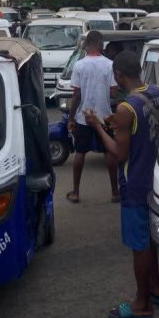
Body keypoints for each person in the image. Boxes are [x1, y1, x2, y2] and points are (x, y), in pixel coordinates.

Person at [85, 50, 159, 318]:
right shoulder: (156, 92)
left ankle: (142, 303)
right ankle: (156, 288)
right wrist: (119, 126)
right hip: (154, 180)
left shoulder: (125, 108)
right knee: (150, 239)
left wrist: (98, 126)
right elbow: (142, 128)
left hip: (134, 183)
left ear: (119, 75)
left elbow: (119, 155)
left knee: (139, 245)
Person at [66, 31, 119, 203]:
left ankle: (75, 192)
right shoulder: (110, 65)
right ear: (101, 44)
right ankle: (114, 192)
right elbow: (113, 92)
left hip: (84, 116)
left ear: (87, 44)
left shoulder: (80, 65)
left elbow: (76, 94)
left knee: (80, 152)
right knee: (109, 152)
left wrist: (71, 117)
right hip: (104, 116)